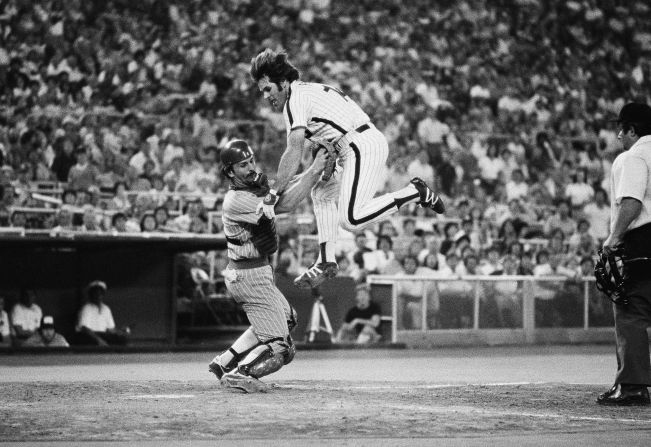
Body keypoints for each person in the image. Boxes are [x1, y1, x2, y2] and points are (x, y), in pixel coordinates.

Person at [249, 49, 444, 290]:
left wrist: (272, 194)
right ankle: (326, 260)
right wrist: (292, 181)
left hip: (360, 145)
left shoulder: (295, 99)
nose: (266, 96)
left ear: (284, 82)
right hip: (353, 145)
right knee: (321, 193)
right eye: (262, 92)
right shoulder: (305, 91)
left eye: (268, 89)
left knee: (351, 219)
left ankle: (414, 192)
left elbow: (293, 150)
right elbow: (311, 157)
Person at [207, 139, 329, 393]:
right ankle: (240, 373)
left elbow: (282, 190)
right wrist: (315, 169)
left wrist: (312, 170)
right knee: (281, 348)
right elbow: (284, 204)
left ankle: (224, 362)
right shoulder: (237, 199)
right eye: (243, 165)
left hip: (254, 272)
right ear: (230, 171)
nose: (251, 167)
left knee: (288, 319)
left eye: (251, 161)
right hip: (248, 276)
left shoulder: (252, 187)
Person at [597, 102, 651, 406]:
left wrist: (614, 237)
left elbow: (631, 201)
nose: (619, 135)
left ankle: (631, 386)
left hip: (643, 241)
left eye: (623, 129)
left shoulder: (635, 155)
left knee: (631, 311)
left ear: (633, 129)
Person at [75, 280, 129, 346]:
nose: (98, 296)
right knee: (88, 339)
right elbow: (84, 329)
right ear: (91, 295)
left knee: (122, 339)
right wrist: (99, 340)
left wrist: (119, 332)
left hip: (102, 335)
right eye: (96, 293)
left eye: (100, 293)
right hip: (90, 336)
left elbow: (110, 329)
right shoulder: (86, 308)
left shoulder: (106, 309)